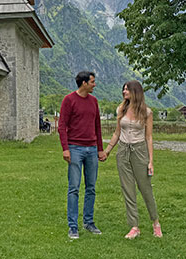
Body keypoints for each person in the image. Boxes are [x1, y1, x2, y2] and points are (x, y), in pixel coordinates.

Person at [105, 80, 162, 239]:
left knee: (145, 188)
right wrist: (108, 151)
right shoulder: (121, 109)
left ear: (135, 92)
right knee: (127, 189)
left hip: (139, 151)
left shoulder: (147, 113)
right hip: (123, 151)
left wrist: (151, 161)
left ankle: (155, 222)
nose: (124, 92)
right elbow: (117, 133)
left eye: (127, 89)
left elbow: (149, 137)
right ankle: (134, 226)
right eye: (123, 89)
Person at [58, 71, 107, 239]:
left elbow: (97, 127)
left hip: (92, 149)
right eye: (92, 82)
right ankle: (73, 226)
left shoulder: (94, 101)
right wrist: (66, 148)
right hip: (75, 148)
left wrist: (100, 149)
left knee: (91, 188)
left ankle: (89, 222)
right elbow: (62, 125)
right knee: (74, 188)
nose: (95, 84)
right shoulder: (69, 100)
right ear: (84, 83)